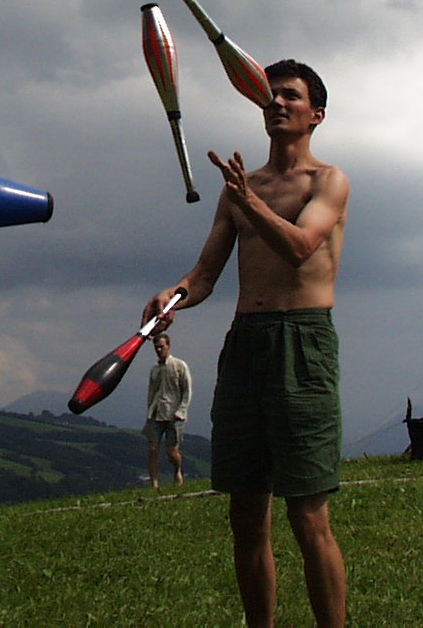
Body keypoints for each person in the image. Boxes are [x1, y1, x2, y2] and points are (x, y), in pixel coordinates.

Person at [143, 59, 350, 628]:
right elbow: (205, 275)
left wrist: (247, 200)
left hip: (302, 342)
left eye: (290, 96)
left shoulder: (327, 181)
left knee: (308, 514)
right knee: (246, 512)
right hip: (246, 344)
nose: (276, 103)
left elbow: (301, 247)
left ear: (317, 114)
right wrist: (172, 296)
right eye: (269, 95)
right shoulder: (242, 188)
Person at [144, 332, 191, 489]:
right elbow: (151, 392)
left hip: (175, 414)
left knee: (172, 452)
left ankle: (177, 470)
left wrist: (181, 411)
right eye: (156, 347)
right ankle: (154, 484)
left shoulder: (179, 366)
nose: (159, 350)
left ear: (168, 346)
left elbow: (187, 390)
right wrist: (149, 412)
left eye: (161, 347)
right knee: (153, 449)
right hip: (156, 413)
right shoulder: (154, 369)